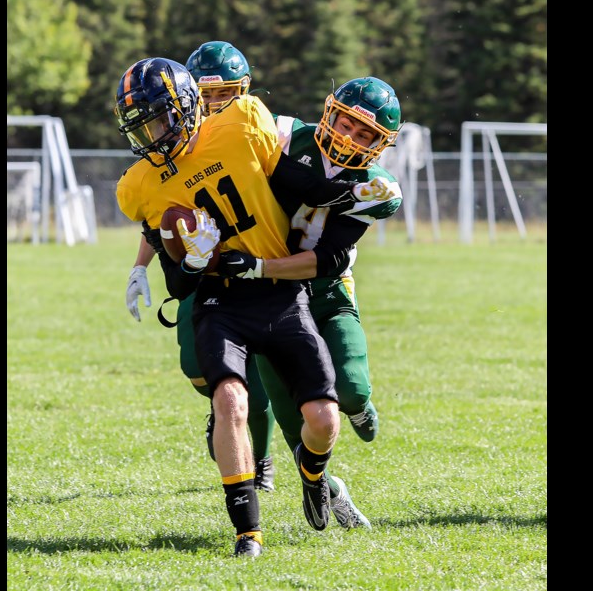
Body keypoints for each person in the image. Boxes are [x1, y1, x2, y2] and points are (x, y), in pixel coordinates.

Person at [113, 57, 397, 557]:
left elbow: (313, 220)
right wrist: (164, 264)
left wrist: (356, 194)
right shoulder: (145, 181)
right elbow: (169, 249)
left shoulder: (249, 125)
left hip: (300, 283)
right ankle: (260, 510)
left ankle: (319, 476)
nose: (151, 135)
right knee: (225, 390)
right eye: (144, 127)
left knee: (332, 402)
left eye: (158, 120)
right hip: (229, 289)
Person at [217, 76, 403, 529]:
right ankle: (323, 483)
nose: (348, 137)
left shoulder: (379, 189)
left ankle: (358, 411)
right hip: (272, 300)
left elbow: (327, 259)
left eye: (364, 135)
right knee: (295, 423)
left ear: (380, 146)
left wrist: (259, 266)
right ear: (329, 110)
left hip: (324, 289)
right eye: (346, 122)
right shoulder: (281, 133)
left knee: (352, 388)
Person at [124, 42, 276, 493]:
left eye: (225, 92)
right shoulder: (168, 140)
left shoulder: (251, 125)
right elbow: (163, 216)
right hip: (201, 273)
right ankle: (222, 408)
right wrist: (140, 267)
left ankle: (262, 459)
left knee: (261, 374)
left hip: (256, 267)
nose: (215, 103)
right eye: (206, 95)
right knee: (198, 370)